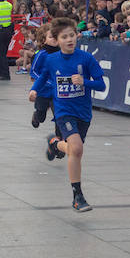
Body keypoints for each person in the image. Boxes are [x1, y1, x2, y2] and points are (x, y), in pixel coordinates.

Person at [30, 17, 106, 212]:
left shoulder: (86, 58)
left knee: (73, 150)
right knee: (77, 149)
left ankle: (54, 143)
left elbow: (101, 84)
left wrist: (84, 82)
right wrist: (34, 90)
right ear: (57, 40)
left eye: (72, 35)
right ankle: (77, 196)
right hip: (63, 111)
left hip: (83, 112)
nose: (70, 39)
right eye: (64, 37)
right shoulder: (50, 59)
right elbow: (43, 77)